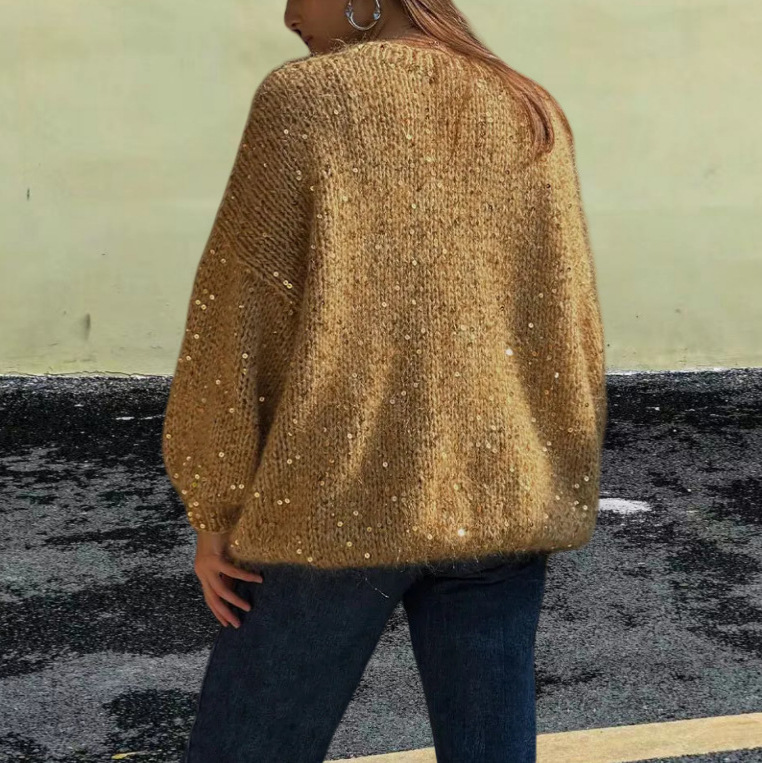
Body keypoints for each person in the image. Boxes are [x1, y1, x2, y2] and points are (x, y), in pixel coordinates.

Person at [161, 1, 607, 761]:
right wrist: (552, 471)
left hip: (333, 497)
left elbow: (239, 313)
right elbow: (568, 320)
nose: (288, 14)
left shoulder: (304, 97)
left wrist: (216, 501)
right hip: (499, 494)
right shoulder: (526, 104)